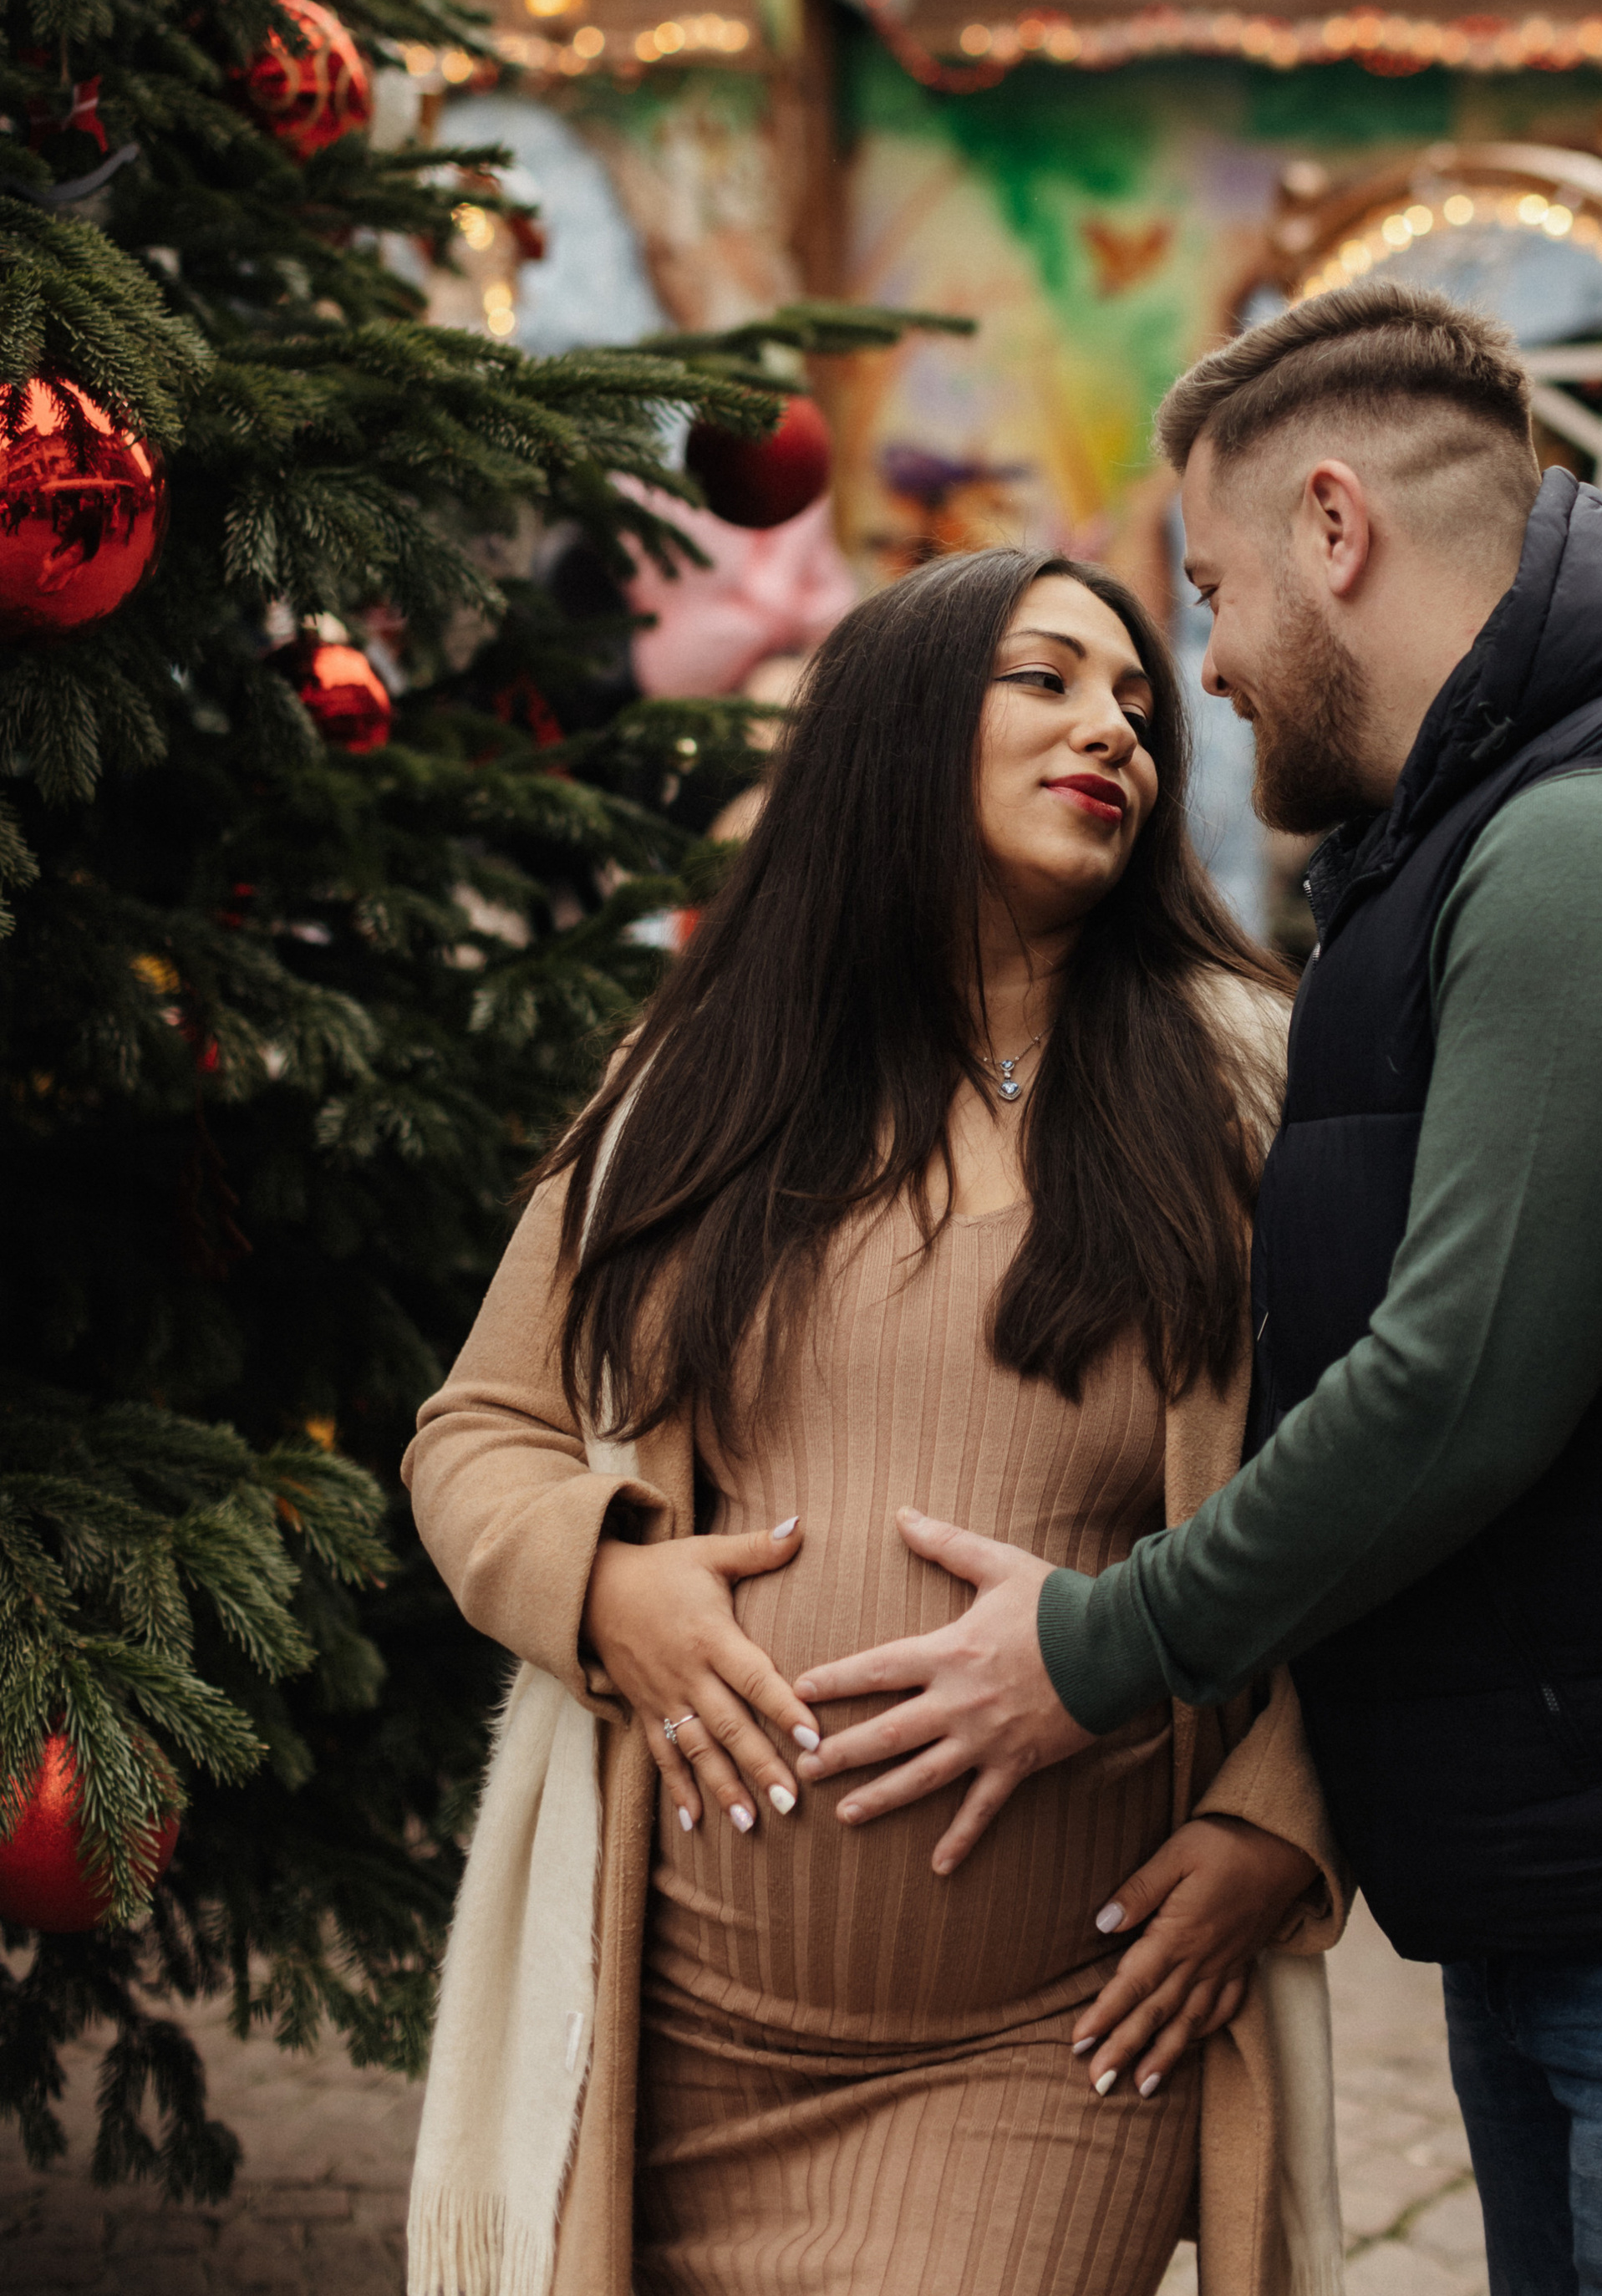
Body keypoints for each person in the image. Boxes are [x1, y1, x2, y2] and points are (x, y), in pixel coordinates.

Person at [789, 283, 1602, 2296]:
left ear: (1331, 526)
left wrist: (1099, 1650)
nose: (1198, 672)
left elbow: (1452, 1386)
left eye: (1207, 594)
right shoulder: (1457, 837)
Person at [402, 548, 1349, 2296]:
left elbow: (1375, 1489)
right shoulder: (698, 1083)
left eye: (1139, 702)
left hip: (1053, 2038)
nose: (1113, 731)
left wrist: (1279, 1823)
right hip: (671, 2035)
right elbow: (478, 1430)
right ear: (895, 728)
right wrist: (607, 1589)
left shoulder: (1243, 1092)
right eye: (1046, 680)